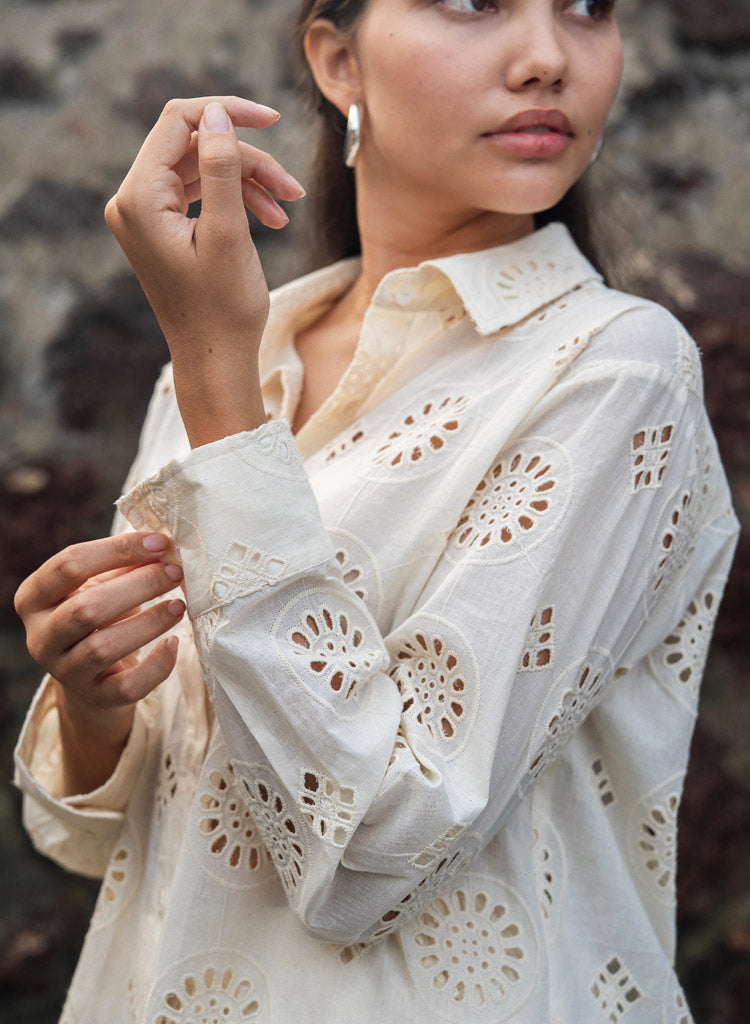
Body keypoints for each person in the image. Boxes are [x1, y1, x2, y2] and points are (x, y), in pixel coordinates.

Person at [13, 0, 738, 1021]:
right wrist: (95, 703)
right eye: (475, 2)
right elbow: (115, 837)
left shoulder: (617, 371)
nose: (547, 57)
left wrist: (216, 379)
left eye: (587, 7)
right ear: (337, 61)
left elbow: (374, 856)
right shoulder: (236, 359)